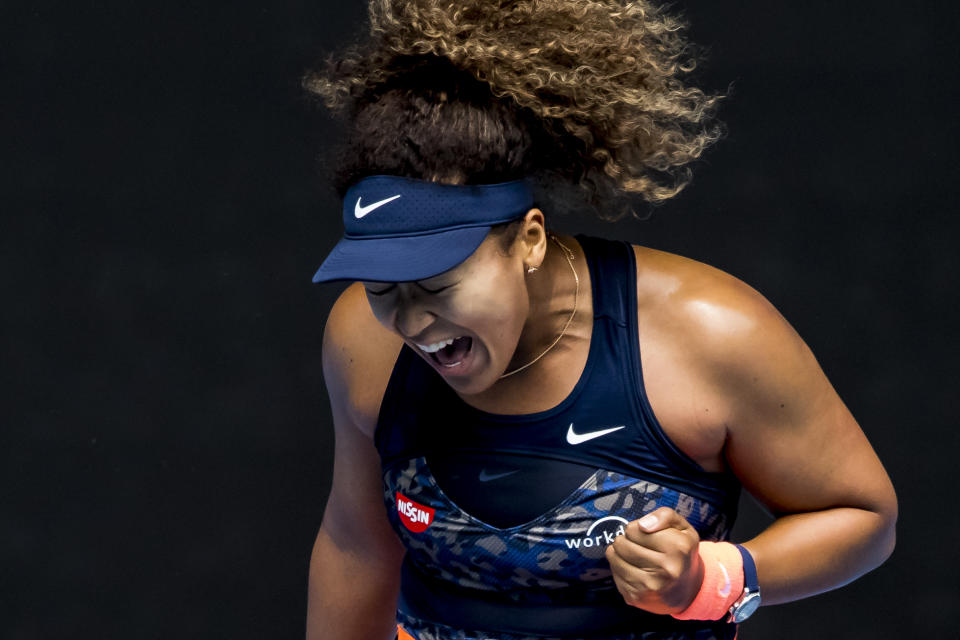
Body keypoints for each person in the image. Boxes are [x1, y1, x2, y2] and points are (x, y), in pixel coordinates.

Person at [303, 1, 898, 639]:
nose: (413, 322)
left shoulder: (709, 334)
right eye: (382, 287)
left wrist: (710, 579)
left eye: (439, 283)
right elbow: (357, 544)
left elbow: (863, 517)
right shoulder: (364, 339)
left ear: (528, 240)